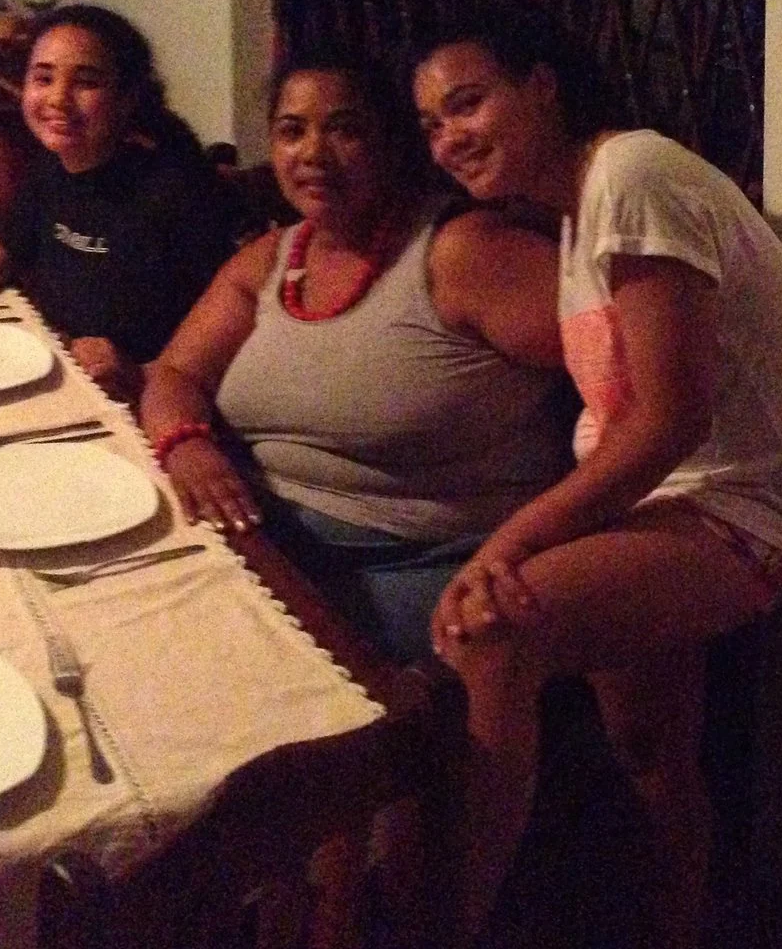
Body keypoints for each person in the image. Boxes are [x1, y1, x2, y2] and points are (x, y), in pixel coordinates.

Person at [409, 0, 782, 949]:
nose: (447, 138)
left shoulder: (633, 172)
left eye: (467, 103)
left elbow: (672, 416)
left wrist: (506, 544)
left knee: (490, 630)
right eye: (430, 123)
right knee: (647, 750)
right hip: (664, 506)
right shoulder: (575, 216)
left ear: (541, 86)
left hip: (744, 510)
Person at [137, 55, 572, 663]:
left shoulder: (464, 256)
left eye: (345, 129)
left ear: (394, 141)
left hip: (418, 566)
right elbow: (173, 375)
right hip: (263, 533)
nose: (313, 152)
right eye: (292, 131)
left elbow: (626, 380)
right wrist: (187, 443)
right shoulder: (275, 257)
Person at [0, 5, 237, 398]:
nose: (58, 98)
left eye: (85, 82)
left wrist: (135, 370)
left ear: (127, 98)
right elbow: (6, 242)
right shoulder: (53, 165)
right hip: (59, 367)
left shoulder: (175, 192)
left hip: (147, 398)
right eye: (44, 77)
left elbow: (224, 333)